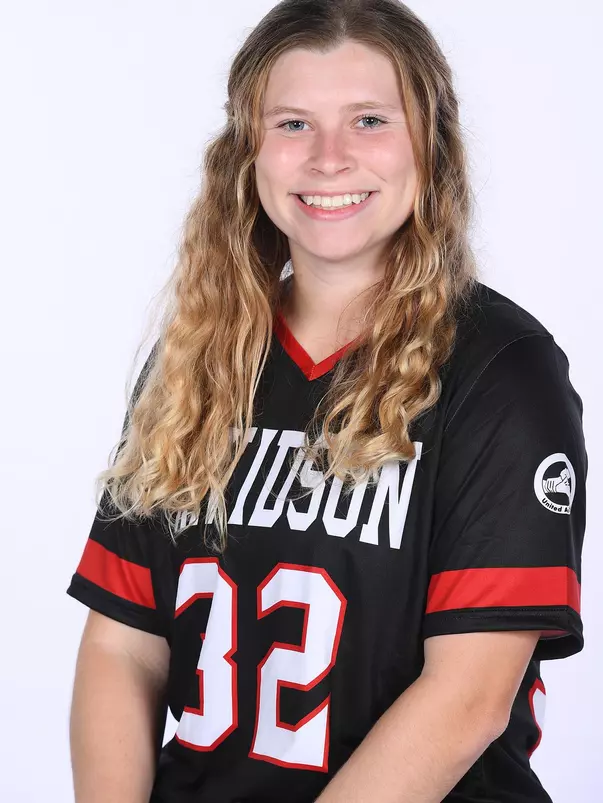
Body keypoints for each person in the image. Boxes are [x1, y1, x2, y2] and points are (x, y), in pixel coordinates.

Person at [66, 1, 587, 801]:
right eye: (293, 125)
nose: (330, 158)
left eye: (370, 119)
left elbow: (468, 700)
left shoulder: (502, 371)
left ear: (429, 146)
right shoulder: (198, 356)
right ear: (247, 153)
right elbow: (123, 648)